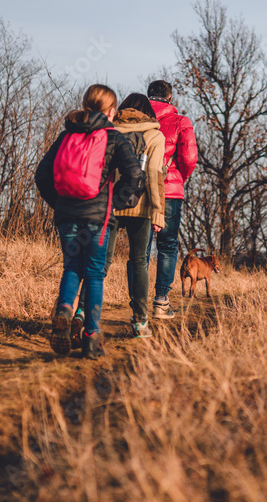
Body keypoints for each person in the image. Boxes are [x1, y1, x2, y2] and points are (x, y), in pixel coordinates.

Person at [34, 84, 143, 359]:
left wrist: (58, 203)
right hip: (98, 218)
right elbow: (135, 177)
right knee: (94, 273)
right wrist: (115, 203)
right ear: (111, 111)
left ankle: (64, 310)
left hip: (67, 215)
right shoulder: (114, 137)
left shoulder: (65, 135)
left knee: (72, 267)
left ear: (85, 104)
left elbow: (41, 175)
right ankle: (92, 337)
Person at [71, 93, 166, 340]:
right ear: (148, 112)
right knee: (138, 262)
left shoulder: (109, 131)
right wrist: (158, 211)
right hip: (141, 205)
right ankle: (140, 322)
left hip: (109, 203)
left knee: (100, 263)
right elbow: (155, 173)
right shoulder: (155, 135)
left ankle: (81, 311)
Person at [146, 80, 198, 319]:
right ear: (169, 98)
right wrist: (178, 179)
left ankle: (137, 303)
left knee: (141, 249)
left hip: (139, 190)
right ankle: (161, 302)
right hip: (170, 192)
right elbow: (189, 158)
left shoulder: (136, 120)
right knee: (167, 246)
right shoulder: (180, 122)